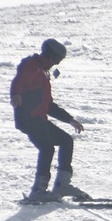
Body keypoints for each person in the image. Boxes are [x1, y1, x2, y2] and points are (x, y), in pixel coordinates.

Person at [10, 38, 87, 201]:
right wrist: (15, 94)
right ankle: (38, 190)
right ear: (50, 55)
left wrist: (70, 120)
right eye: (57, 59)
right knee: (47, 148)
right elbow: (19, 80)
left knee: (66, 141)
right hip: (29, 118)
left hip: (39, 119)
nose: (56, 64)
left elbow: (49, 105)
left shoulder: (44, 73)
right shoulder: (31, 66)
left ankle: (61, 185)